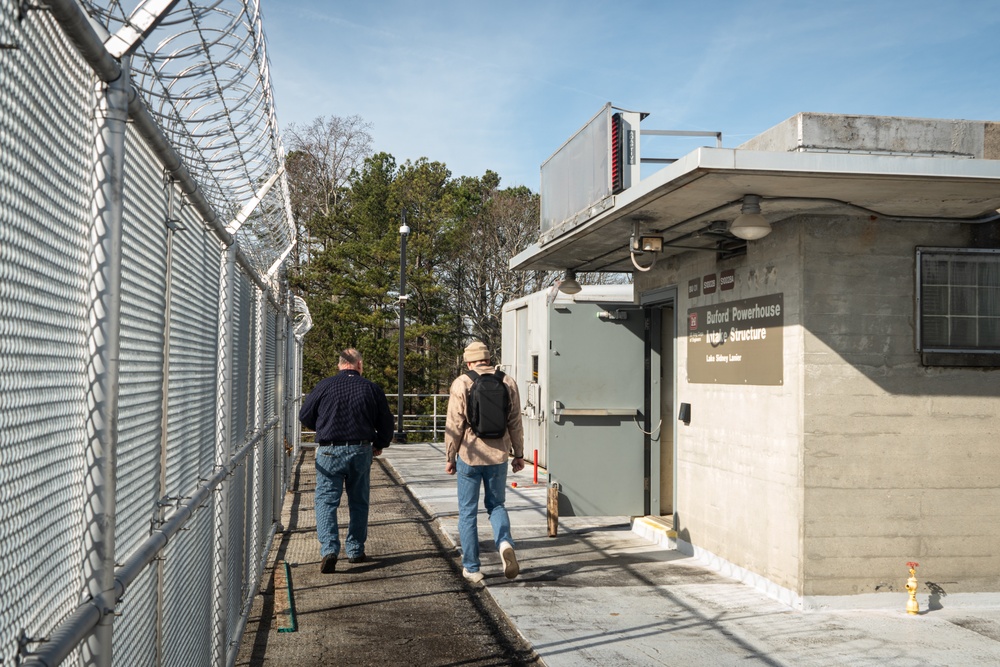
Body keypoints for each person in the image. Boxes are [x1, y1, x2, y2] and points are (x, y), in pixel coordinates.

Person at [299, 348, 394, 574]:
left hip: (329, 450)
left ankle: (329, 550)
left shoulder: (325, 385)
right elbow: (386, 422)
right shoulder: (371, 388)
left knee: (326, 501)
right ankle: (355, 550)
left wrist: (322, 427)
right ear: (359, 365)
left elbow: (304, 415)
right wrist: (379, 444)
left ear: (340, 364)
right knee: (359, 501)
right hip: (360, 450)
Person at [445, 341, 525, 583]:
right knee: (497, 505)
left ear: (469, 362)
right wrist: (518, 454)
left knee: (468, 512)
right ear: (488, 359)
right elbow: (515, 422)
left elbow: (454, 424)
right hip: (498, 455)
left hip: (470, 456)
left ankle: (472, 567)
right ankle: (504, 543)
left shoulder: (462, 382)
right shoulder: (507, 381)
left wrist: (450, 457)